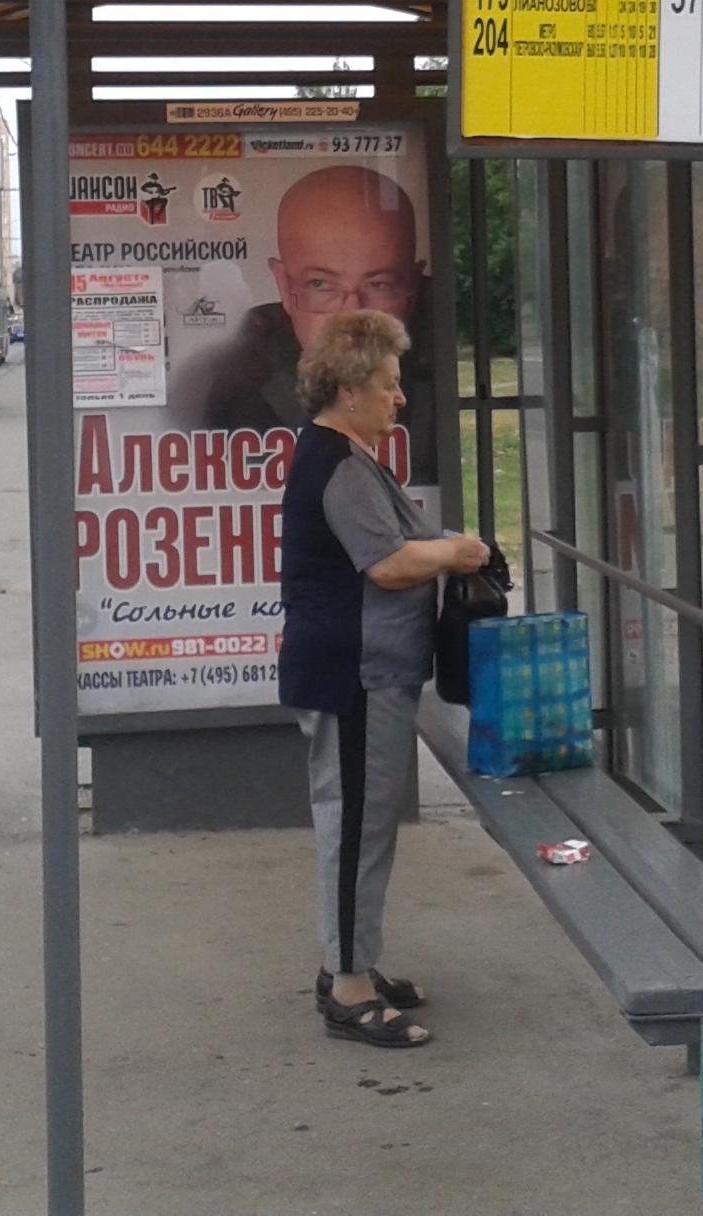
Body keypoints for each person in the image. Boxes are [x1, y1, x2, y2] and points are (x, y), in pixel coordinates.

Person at [279, 309, 489, 1049]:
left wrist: (448, 549)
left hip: (372, 675)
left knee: (365, 829)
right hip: (353, 676)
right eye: (389, 384)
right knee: (356, 830)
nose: (400, 398)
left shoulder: (352, 456)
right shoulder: (336, 463)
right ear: (347, 389)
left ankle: (353, 961)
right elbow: (390, 563)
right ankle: (347, 989)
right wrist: (457, 553)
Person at [184, 164, 436, 478]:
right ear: (285, 288)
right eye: (320, 284)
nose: (351, 315)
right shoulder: (241, 390)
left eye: (380, 284)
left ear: (411, 287)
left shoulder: (438, 375)